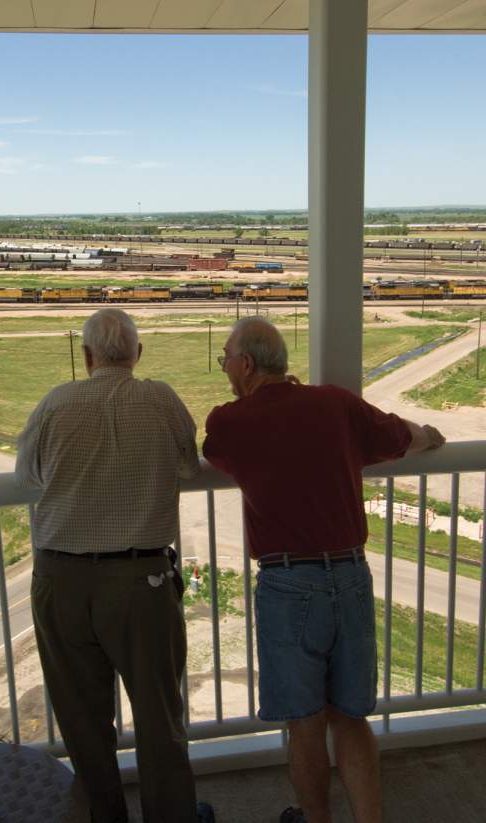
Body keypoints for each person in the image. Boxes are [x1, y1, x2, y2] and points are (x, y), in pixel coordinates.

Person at [202, 317, 445, 823]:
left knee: (306, 724)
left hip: (289, 585)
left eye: (225, 356)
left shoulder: (230, 423)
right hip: (351, 578)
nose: (223, 364)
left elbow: (212, 451)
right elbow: (404, 434)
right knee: (351, 719)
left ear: (246, 364)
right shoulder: (336, 405)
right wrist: (429, 433)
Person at [15, 308, 214, 823]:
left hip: (61, 582)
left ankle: (104, 816)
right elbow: (188, 466)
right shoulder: (162, 399)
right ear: (137, 354)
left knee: (82, 720)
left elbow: (29, 477)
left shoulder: (55, 403)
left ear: (86, 357)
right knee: (159, 717)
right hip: (140, 583)